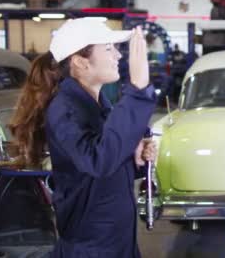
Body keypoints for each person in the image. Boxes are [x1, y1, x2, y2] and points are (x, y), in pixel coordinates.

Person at [9, 18, 158, 257]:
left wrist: (133, 159)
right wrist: (137, 91)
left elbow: (103, 160)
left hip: (117, 240)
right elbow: (98, 161)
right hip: (91, 246)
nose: (118, 56)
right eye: (108, 48)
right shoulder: (65, 110)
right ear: (80, 62)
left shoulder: (98, 103)